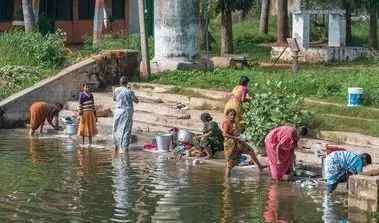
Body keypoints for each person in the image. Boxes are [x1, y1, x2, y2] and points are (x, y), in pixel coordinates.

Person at [222, 108, 266, 178]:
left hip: (238, 142)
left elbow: (237, 132)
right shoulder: (226, 123)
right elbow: (224, 134)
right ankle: (227, 181)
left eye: (233, 115)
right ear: (227, 115)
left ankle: (260, 166)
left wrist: (243, 138)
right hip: (230, 144)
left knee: (250, 151)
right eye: (231, 115)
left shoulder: (234, 123)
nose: (232, 116)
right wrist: (236, 138)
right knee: (230, 163)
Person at [113, 76, 139, 154]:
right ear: (127, 83)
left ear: (120, 83)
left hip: (118, 111)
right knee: (126, 129)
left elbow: (114, 99)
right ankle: (124, 148)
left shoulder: (116, 90)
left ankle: (116, 146)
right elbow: (136, 101)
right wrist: (130, 90)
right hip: (126, 111)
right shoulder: (129, 91)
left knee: (116, 128)